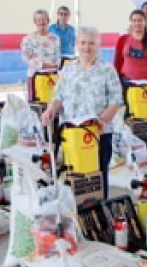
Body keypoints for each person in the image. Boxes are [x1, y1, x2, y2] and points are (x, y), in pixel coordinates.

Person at [41, 27, 124, 196]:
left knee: (97, 177)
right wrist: (50, 110)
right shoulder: (68, 69)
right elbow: (58, 97)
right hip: (72, 135)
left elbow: (116, 100)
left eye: (91, 43)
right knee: (74, 176)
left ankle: (99, 214)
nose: (86, 47)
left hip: (98, 134)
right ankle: (77, 215)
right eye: (83, 43)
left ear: (98, 45)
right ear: (77, 44)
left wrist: (102, 120)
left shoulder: (107, 69)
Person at [114, 10, 147, 88]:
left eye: (140, 20)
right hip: (126, 81)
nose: (137, 23)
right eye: (134, 21)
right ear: (131, 22)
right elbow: (118, 62)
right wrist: (117, 81)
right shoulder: (122, 40)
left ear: (145, 22)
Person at [21, 9, 60, 100]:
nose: (41, 22)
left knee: (54, 102)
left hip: (53, 76)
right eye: (39, 20)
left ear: (48, 21)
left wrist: (54, 66)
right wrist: (43, 65)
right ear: (35, 22)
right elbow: (25, 58)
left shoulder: (55, 38)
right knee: (37, 105)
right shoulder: (28, 39)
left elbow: (58, 56)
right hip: (35, 76)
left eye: (44, 19)